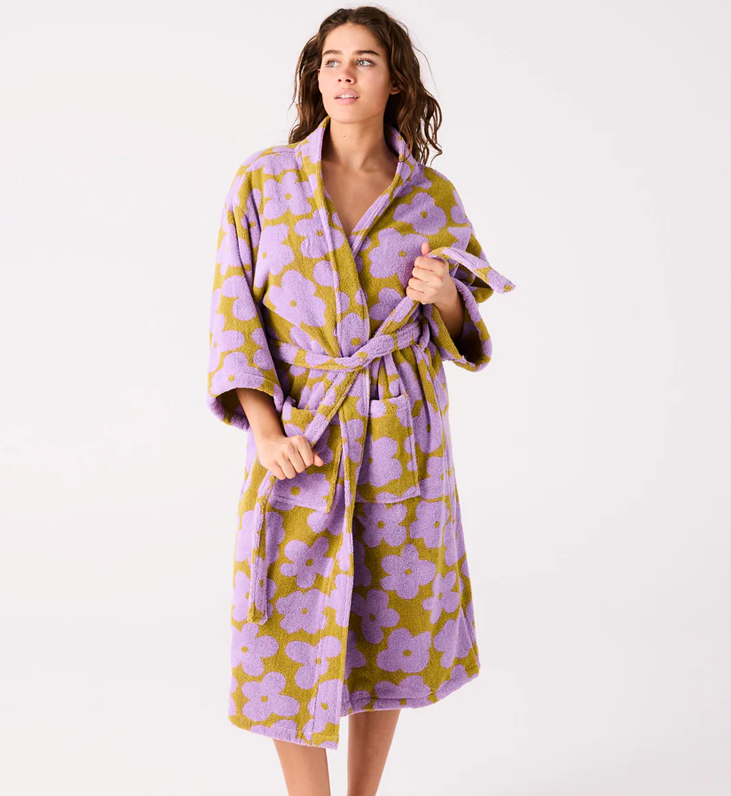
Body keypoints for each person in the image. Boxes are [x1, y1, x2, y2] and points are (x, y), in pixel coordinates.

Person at [207, 7, 515, 795]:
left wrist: (445, 296)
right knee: (282, 625)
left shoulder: (430, 196)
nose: (345, 74)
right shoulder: (265, 181)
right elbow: (236, 313)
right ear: (316, 77)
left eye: (365, 60)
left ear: (395, 81)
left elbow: (465, 336)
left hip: (401, 438)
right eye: (332, 60)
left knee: (385, 624)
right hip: (302, 433)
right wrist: (265, 430)